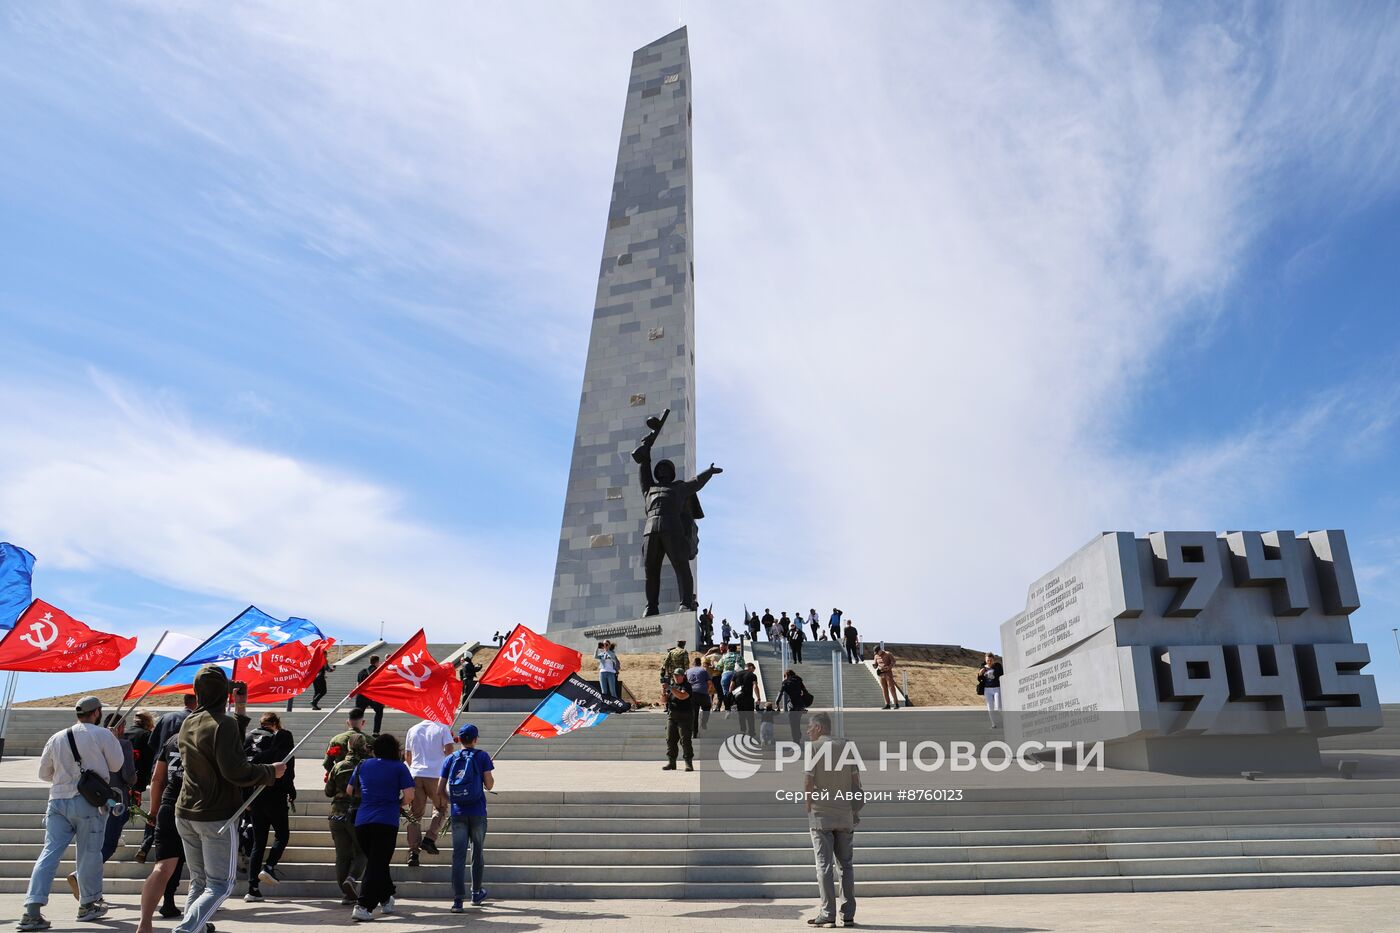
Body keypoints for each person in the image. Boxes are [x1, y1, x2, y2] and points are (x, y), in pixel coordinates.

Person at [172, 668, 283, 933]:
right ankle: (186, 930)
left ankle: (194, 927)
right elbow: (236, 771)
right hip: (216, 814)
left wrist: (240, 708)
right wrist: (271, 771)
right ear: (224, 693)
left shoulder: (189, 721)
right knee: (221, 885)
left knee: (198, 882)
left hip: (185, 811)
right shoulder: (225, 724)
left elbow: (221, 739)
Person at [19, 696, 126, 930]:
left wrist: (66, 780)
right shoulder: (103, 735)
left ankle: (32, 910)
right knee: (89, 854)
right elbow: (117, 765)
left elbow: (44, 774)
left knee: (49, 853)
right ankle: (87, 904)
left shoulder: (57, 737)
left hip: (57, 801)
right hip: (89, 803)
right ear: (97, 712)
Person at [349, 732, 415, 921]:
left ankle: (386, 898)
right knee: (377, 863)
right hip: (386, 821)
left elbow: (350, 789)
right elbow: (409, 795)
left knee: (377, 862)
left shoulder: (363, 765)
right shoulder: (399, 767)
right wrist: (398, 803)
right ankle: (363, 905)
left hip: (362, 821)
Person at [804, 712, 859, 927]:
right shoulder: (848, 746)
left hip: (821, 815)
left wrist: (808, 805)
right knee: (846, 865)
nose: (808, 731)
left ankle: (827, 914)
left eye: (810, 727)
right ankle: (848, 914)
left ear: (818, 728)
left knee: (824, 865)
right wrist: (854, 810)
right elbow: (856, 781)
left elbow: (808, 781)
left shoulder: (813, 748)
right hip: (844, 812)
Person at [134, 731, 188, 933]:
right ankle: (194, 921)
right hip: (196, 808)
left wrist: (153, 810)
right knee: (202, 872)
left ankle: (144, 924)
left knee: (161, 867)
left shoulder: (172, 740)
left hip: (168, 805)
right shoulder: (206, 736)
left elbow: (157, 779)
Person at [439, 724, 495, 912]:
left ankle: (457, 901)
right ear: (475, 739)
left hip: (458, 813)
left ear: (459, 740)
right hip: (478, 811)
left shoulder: (450, 759)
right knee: (477, 852)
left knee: (458, 855)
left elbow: (440, 790)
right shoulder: (482, 756)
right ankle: (476, 893)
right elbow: (489, 785)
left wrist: (454, 802)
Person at [244, 712, 295, 901]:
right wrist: (292, 793)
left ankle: (252, 888)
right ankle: (270, 866)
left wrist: (247, 799)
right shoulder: (287, 755)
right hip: (277, 799)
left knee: (259, 842)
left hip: (258, 800)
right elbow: (289, 777)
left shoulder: (263, 755)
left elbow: (248, 775)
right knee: (282, 834)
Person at [325, 733, 370, 904]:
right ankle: (351, 879)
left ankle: (346, 894)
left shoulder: (339, 765)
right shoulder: (366, 765)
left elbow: (328, 791)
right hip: (358, 813)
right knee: (362, 851)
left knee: (342, 855)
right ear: (364, 747)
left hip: (336, 814)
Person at [403, 718, 454, 867]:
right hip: (435, 774)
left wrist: (415, 768)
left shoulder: (413, 729)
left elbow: (407, 755)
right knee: (441, 808)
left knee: (414, 815)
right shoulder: (442, 728)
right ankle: (429, 838)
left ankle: (413, 851)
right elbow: (449, 749)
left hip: (416, 774)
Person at [97, 713, 137, 871]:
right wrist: (134, 779)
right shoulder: (123, 744)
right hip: (115, 798)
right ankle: (80, 874)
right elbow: (128, 775)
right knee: (109, 844)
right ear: (120, 727)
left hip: (95, 796)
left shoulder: (94, 742)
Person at [661, 668, 693, 771]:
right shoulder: (672, 686)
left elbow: (682, 696)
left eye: (678, 675)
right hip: (672, 716)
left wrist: (670, 688)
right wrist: (663, 692)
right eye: (674, 675)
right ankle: (671, 762)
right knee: (670, 739)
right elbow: (663, 701)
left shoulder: (687, 686)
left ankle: (688, 763)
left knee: (685, 740)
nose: (675, 677)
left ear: (683, 676)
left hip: (684, 716)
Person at [324, 708, 368, 775]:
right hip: (363, 780)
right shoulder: (370, 740)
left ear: (347, 722)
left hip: (341, 780)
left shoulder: (336, 740)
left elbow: (327, 763)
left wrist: (337, 774)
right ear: (363, 722)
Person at [780, 669, 812, 743]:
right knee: (797, 722)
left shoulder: (786, 682)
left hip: (792, 706)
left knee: (793, 723)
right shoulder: (799, 680)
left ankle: (796, 739)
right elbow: (804, 690)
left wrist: (777, 703)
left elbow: (781, 693)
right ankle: (798, 736)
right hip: (800, 705)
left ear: (787, 675)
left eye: (785, 676)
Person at [356, 656, 387, 734]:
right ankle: (376, 732)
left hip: (361, 695)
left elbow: (357, 685)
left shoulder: (361, 671)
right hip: (373, 696)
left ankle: (355, 730)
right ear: (377, 662)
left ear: (370, 662)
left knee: (358, 714)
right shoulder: (378, 671)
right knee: (379, 711)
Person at [685, 657, 711, 740]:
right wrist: (707, 690)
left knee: (694, 715)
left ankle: (694, 734)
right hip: (702, 693)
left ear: (693, 663)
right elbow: (709, 683)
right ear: (700, 663)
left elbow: (684, 683)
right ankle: (704, 722)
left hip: (691, 694)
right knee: (707, 706)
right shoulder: (703, 671)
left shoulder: (688, 671)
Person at [732, 662, 759, 739]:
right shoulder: (752, 675)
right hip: (748, 698)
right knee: (750, 716)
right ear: (750, 667)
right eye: (753, 669)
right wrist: (758, 698)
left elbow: (731, 686)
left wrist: (731, 698)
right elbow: (755, 686)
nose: (753, 671)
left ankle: (743, 730)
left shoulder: (736, 674)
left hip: (738, 698)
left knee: (741, 715)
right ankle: (751, 732)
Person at [979, 653, 1004, 727]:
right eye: (987, 660)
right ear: (985, 660)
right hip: (987, 690)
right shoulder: (982, 667)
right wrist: (980, 674)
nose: (989, 662)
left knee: (999, 707)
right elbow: (979, 679)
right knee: (990, 708)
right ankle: (993, 723)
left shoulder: (997, 666)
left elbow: (1002, 675)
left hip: (997, 688)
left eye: (991, 660)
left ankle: (1008, 720)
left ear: (993, 660)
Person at [874, 645, 899, 709]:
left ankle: (896, 703)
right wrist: (874, 665)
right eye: (876, 653)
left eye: (877, 652)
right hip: (881, 674)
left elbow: (893, 661)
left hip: (888, 673)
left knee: (891, 688)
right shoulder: (876, 656)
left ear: (880, 650)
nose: (877, 654)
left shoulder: (888, 654)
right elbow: (875, 665)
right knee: (884, 689)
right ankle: (887, 704)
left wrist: (889, 667)